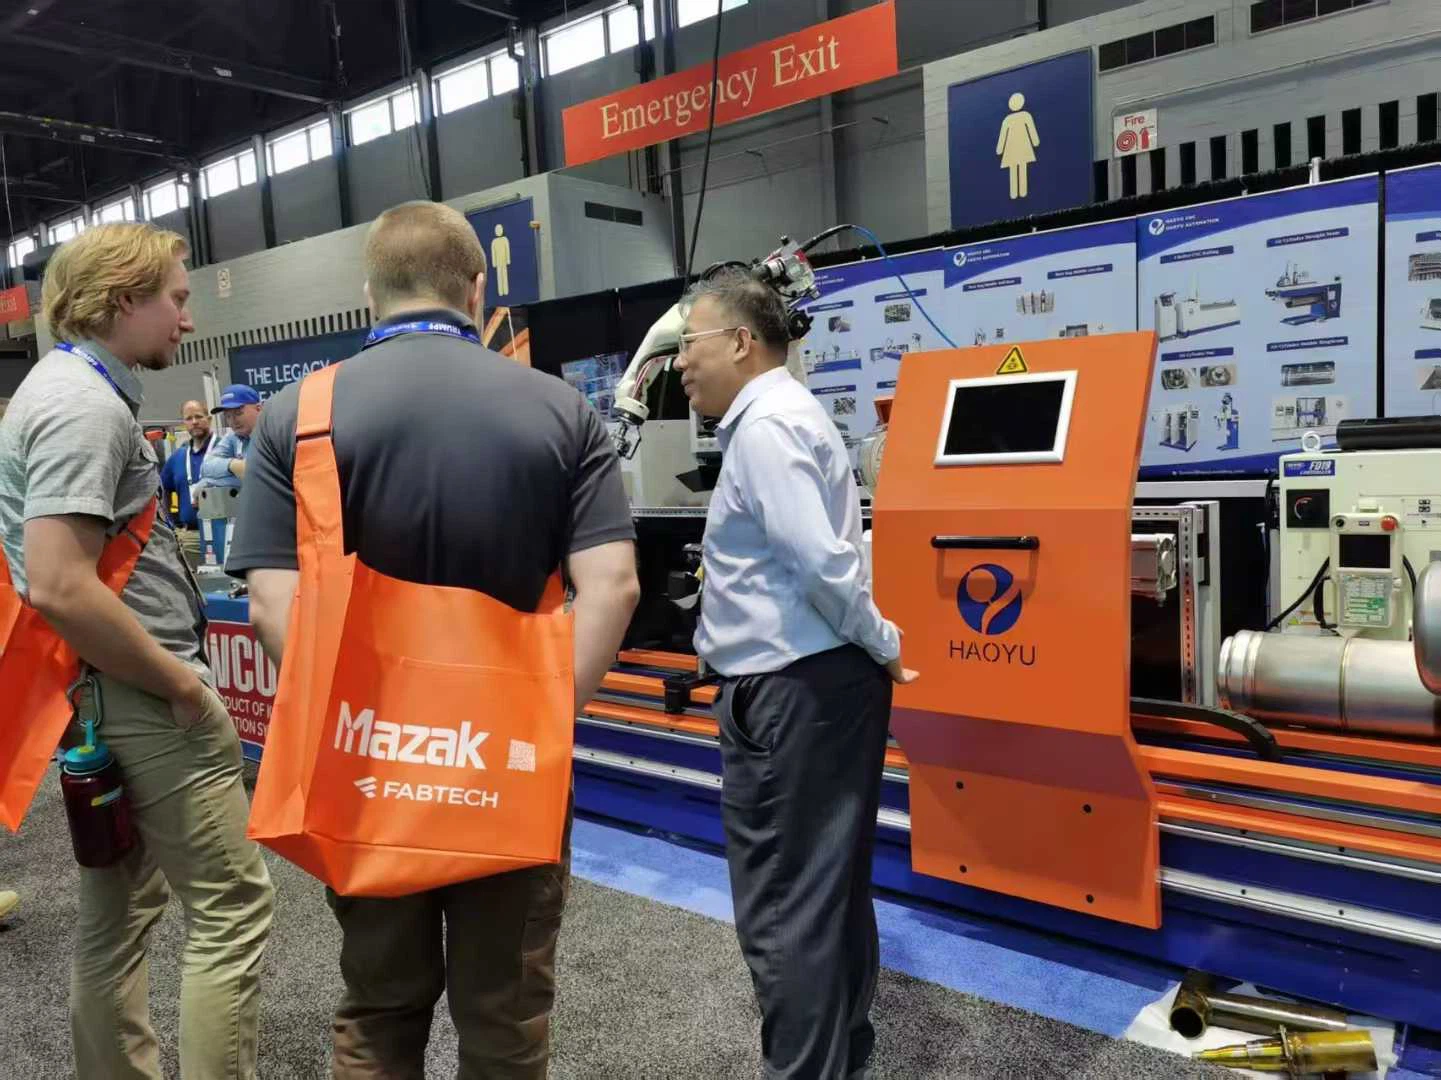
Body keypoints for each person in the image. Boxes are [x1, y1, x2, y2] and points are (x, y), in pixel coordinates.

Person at [226, 199, 639, 1079]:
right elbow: (614, 586)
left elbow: (270, 606)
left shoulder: (296, 416)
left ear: (368, 291)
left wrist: (355, 723)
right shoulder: (563, 409)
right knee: (505, 1020)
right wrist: (541, 720)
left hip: (367, 769)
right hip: (509, 768)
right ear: (477, 288)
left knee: (378, 1012)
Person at [0, 222, 274, 1077]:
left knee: (117, 918)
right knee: (232, 909)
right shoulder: (82, 405)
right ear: (123, 299)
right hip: (146, 697)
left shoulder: (62, 391)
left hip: (103, 691)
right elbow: (60, 582)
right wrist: (183, 690)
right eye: (177, 299)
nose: (188, 319)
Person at [673, 269, 918, 1080]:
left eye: (690, 343)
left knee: (786, 910)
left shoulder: (768, 427)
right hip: (815, 685)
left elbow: (820, 561)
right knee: (824, 894)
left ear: (741, 342)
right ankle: (840, 1059)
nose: (680, 362)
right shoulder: (782, 417)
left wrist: (880, 639)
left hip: (791, 690)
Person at [159, 398, 214, 569]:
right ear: (184, 423)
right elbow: (164, 490)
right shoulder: (178, 457)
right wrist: (171, 523)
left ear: (209, 419)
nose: (194, 422)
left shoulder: (224, 449)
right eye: (189, 418)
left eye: (199, 416)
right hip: (190, 537)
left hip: (224, 533)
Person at [201, 384, 262, 487]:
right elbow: (205, 467)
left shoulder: (273, 435)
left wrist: (208, 482)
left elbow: (260, 479)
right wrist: (232, 465)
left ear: (259, 409)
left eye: (238, 413)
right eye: (228, 416)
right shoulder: (233, 437)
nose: (233, 421)